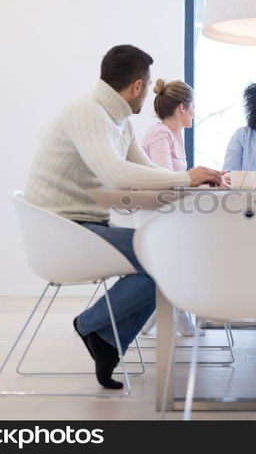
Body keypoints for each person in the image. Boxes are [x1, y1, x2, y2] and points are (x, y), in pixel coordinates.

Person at [24, 45, 222, 389]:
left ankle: (108, 342)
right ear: (137, 87)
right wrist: (186, 178)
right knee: (164, 256)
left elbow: (145, 169)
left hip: (86, 226)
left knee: (168, 255)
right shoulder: (87, 113)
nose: (147, 93)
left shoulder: (118, 121)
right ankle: (90, 325)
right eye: (146, 85)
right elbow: (116, 173)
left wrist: (192, 181)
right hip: (61, 230)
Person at [140, 78, 202, 337]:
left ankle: (168, 311)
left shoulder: (175, 134)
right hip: (152, 216)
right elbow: (166, 181)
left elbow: (178, 182)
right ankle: (170, 311)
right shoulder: (159, 134)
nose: (194, 112)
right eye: (193, 106)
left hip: (168, 214)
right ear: (181, 108)